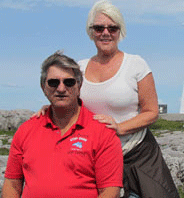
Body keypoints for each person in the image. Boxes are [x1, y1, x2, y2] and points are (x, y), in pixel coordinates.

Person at [35, 0, 180, 198]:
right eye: (99, 27)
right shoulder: (80, 68)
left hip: (137, 154)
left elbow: (151, 112)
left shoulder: (136, 65)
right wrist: (49, 109)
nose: (105, 33)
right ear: (91, 31)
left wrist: (120, 128)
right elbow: (67, 99)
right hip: (93, 157)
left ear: (120, 31)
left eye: (112, 28)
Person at [2, 51, 123, 198]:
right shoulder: (26, 130)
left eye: (69, 82)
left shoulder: (103, 133)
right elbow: (12, 185)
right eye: (53, 82)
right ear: (43, 87)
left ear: (79, 86)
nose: (61, 88)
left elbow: (110, 191)